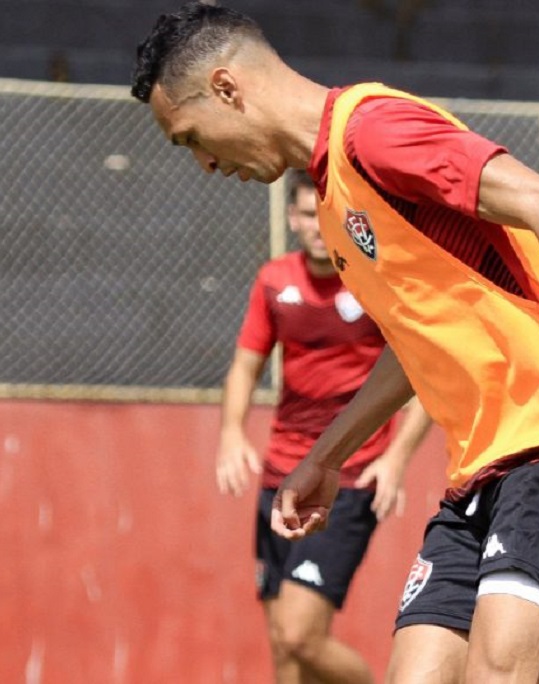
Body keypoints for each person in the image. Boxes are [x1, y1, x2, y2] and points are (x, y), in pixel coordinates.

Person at [131, 4, 539, 682]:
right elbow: (415, 341)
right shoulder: (333, 197)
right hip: (479, 473)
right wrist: (329, 456)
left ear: (228, 89)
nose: (205, 162)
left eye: (190, 137)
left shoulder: (376, 131)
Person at [216, 168, 434, 683]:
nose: (316, 226)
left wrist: (397, 455)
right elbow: (246, 363)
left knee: (300, 634)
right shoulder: (274, 281)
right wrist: (230, 431)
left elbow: (424, 370)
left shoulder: (374, 280)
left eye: (325, 215)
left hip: (348, 481)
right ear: (293, 218)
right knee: (283, 647)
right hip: (279, 478)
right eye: (307, 215)